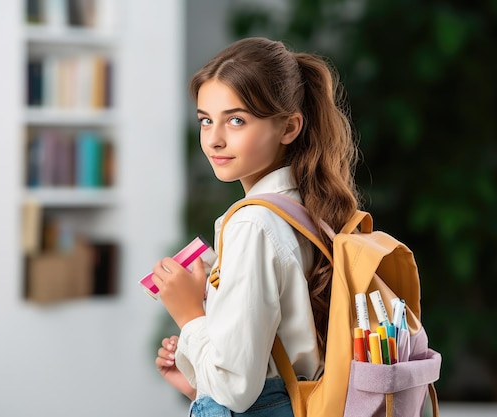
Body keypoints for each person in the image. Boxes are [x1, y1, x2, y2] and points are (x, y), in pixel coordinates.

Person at [151, 36, 361, 416]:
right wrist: (199, 382)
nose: (214, 139)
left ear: (289, 127)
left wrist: (188, 315)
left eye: (236, 120)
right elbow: (275, 363)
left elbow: (236, 389)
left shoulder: (254, 224)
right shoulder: (306, 209)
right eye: (205, 120)